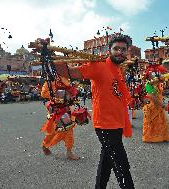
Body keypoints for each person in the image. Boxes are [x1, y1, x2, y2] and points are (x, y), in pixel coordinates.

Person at [55, 34, 135, 189]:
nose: (120, 52)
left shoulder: (118, 70)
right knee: (122, 167)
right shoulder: (98, 66)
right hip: (105, 125)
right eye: (116, 48)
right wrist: (51, 59)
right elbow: (71, 73)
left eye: (123, 49)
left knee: (106, 163)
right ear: (109, 50)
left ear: (127, 52)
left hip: (118, 123)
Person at [40, 77, 79, 160]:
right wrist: (56, 94)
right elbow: (43, 94)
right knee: (52, 132)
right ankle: (44, 145)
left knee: (69, 131)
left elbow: (70, 94)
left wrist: (71, 93)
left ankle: (69, 152)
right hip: (55, 111)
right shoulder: (50, 81)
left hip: (66, 109)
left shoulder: (66, 79)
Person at [142, 73, 169, 143]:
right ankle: (151, 137)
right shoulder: (148, 84)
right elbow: (153, 97)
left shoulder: (157, 83)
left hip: (158, 106)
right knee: (152, 123)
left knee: (160, 121)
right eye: (151, 74)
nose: (153, 75)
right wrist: (163, 105)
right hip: (152, 106)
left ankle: (160, 136)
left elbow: (162, 81)